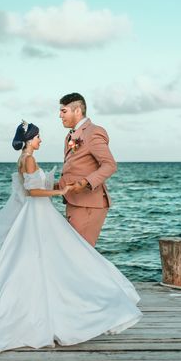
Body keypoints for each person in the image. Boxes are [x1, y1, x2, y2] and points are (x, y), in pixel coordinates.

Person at [0, 121, 142, 357]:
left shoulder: (26, 158)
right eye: (38, 137)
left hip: (38, 213)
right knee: (58, 254)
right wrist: (59, 191)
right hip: (36, 212)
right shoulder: (28, 159)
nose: (41, 141)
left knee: (46, 257)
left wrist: (53, 183)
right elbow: (32, 192)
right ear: (29, 140)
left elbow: (34, 186)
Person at [58, 93, 116, 246]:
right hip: (75, 202)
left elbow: (109, 165)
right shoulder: (69, 136)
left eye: (64, 111)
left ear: (77, 111)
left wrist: (84, 182)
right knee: (74, 254)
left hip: (89, 204)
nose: (60, 116)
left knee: (80, 255)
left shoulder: (93, 132)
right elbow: (75, 167)